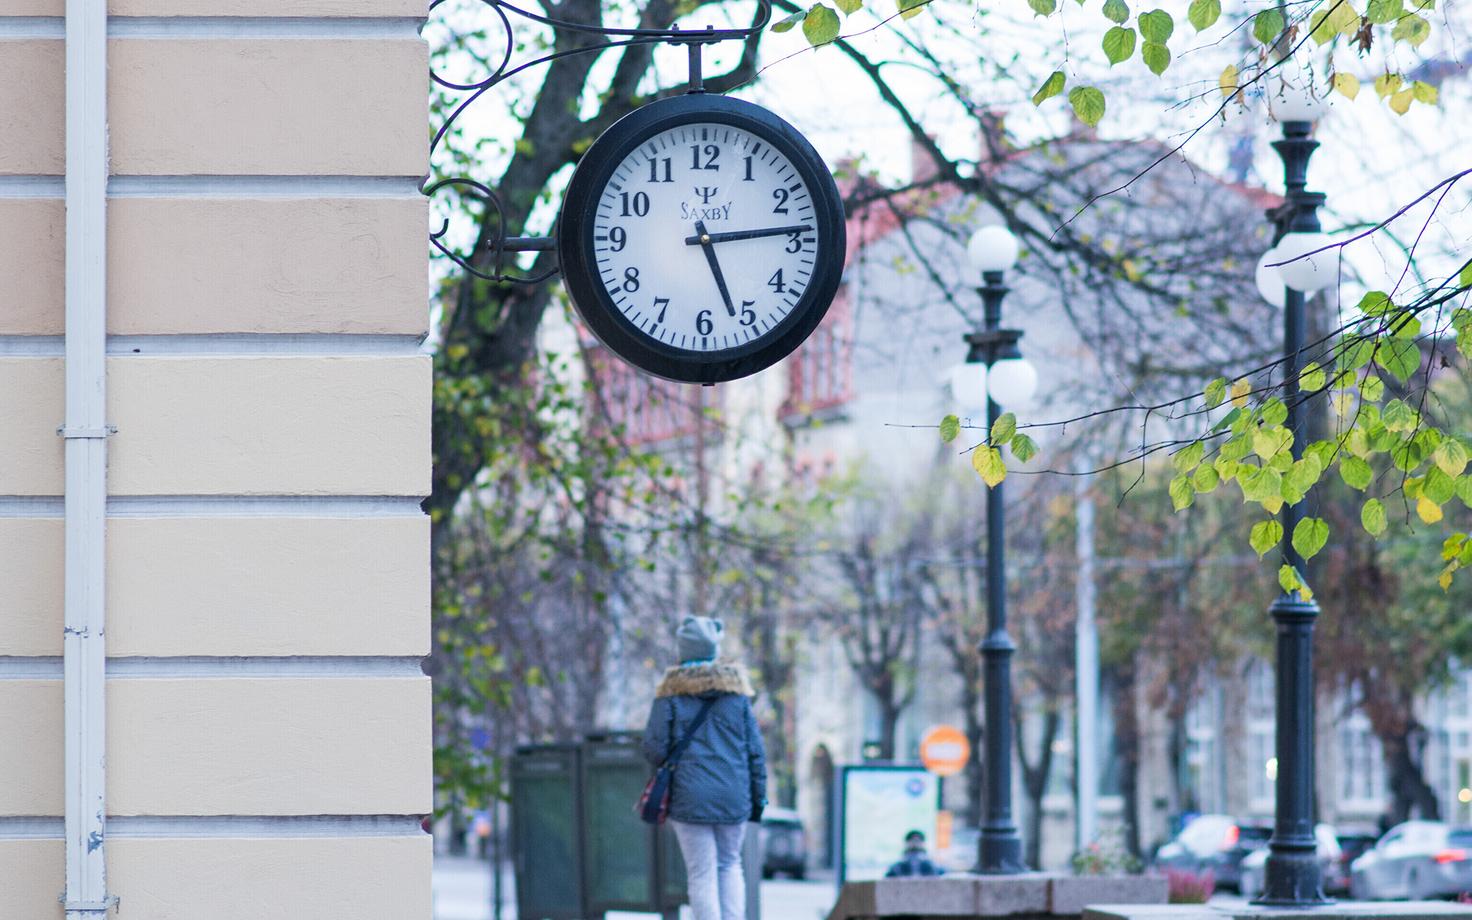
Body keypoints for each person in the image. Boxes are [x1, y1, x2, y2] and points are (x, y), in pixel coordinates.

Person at [642, 616, 767, 920]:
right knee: (729, 864)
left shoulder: (669, 696)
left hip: (690, 795)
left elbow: (654, 749)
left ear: (682, 650)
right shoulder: (737, 697)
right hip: (733, 795)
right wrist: (757, 799)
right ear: (714, 650)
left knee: (701, 873)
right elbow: (756, 753)